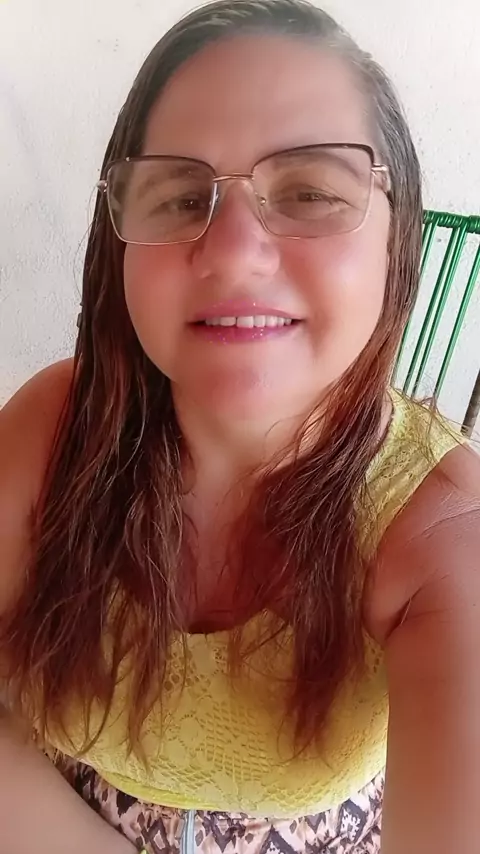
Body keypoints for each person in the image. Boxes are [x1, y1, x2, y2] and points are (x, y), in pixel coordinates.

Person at [1, 1, 480, 852]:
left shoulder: (446, 532)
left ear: (396, 235)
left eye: (309, 192)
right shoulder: (52, 429)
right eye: (183, 196)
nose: (230, 253)